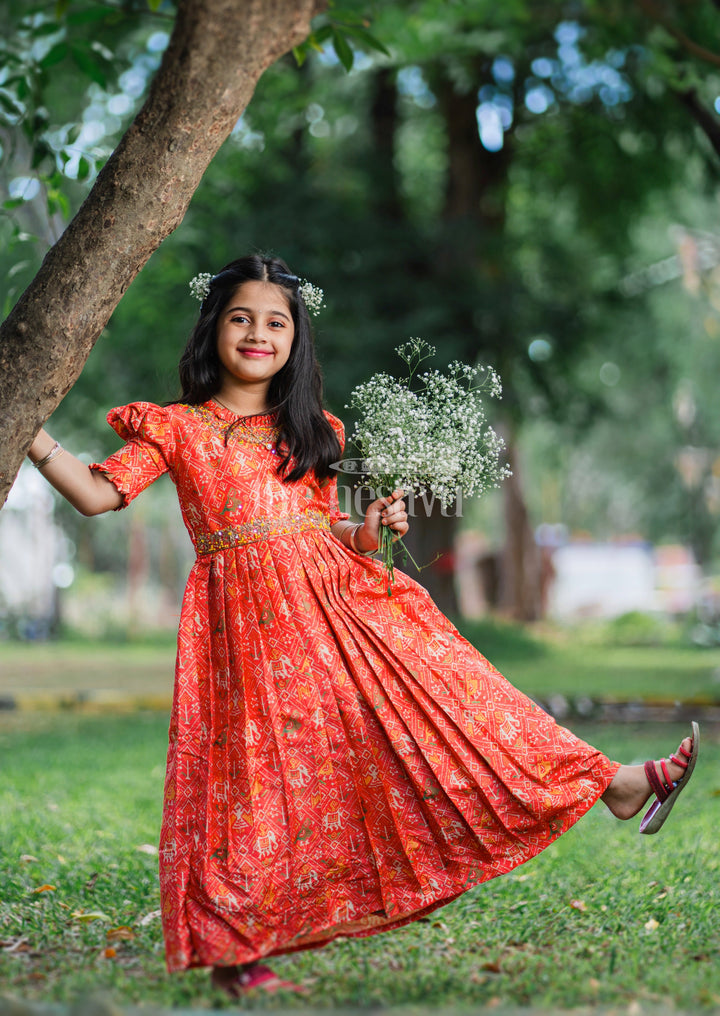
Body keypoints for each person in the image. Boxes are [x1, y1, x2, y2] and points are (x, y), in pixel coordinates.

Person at [26, 254, 699, 999]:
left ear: (295, 339)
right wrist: (28, 429)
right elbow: (95, 493)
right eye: (241, 317)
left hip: (339, 615)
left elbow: (321, 526)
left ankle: (612, 782)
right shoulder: (178, 429)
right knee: (250, 777)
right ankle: (235, 948)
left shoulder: (308, 432)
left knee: (457, 700)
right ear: (212, 328)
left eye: (276, 321)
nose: (257, 333)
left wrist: (369, 528)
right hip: (242, 629)